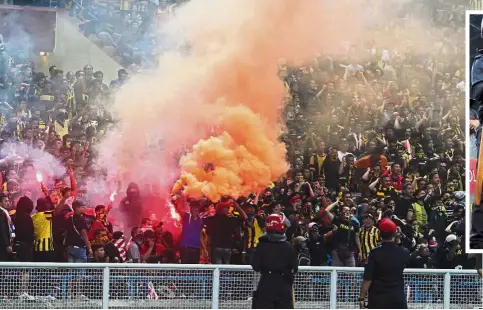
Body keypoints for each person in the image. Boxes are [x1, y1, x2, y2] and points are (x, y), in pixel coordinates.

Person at [358, 218, 410, 309]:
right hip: (398, 299)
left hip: (377, 300)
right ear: (394, 233)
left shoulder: (374, 253)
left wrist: (361, 298)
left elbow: (368, 278)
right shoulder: (404, 252)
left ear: (380, 234)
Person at [251, 213, 298, 309]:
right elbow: (295, 268)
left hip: (266, 283)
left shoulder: (261, 246)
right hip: (284, 284)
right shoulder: (289, 247)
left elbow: (255, 266)